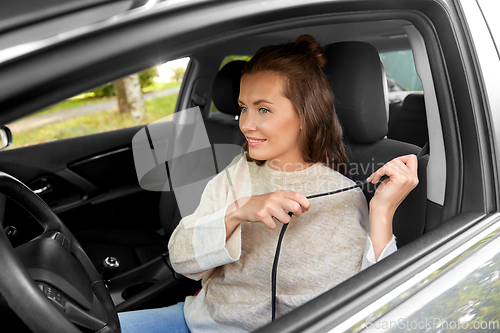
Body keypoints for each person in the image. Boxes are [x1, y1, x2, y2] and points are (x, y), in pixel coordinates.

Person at [118, 35, 419, 333]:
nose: (246, 124)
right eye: (243, 107)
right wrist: (238, 211)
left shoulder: (345, 196)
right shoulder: (237, 172)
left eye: (263, 109)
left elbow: (376, 309)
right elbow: (182, 259)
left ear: (306, 115)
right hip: (199, 320)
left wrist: (382, 211)